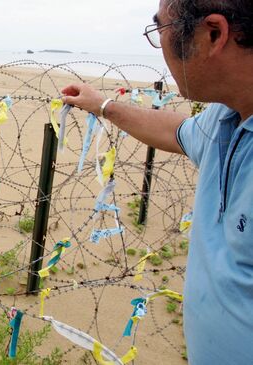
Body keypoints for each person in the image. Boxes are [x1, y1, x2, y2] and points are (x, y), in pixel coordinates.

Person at [61, 0, 253, 364]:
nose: (160, 46)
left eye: (159, 31)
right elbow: (178, 132)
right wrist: (103, 106)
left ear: (213, 33)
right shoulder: (224, 117)